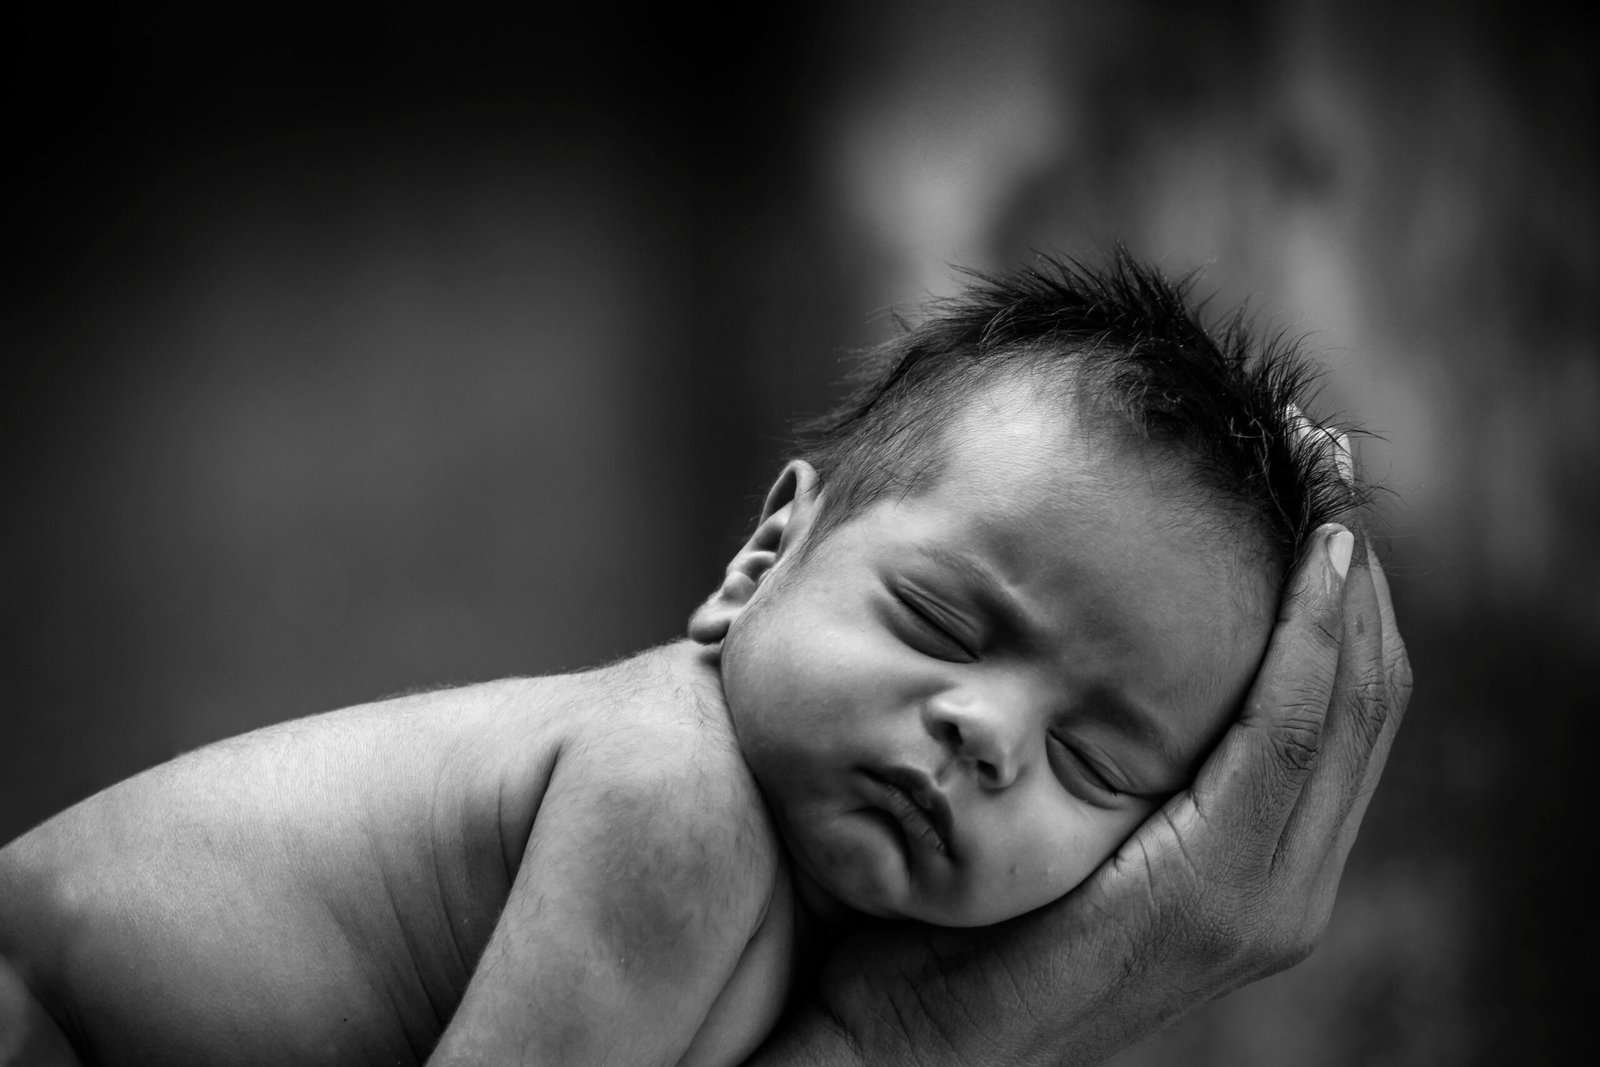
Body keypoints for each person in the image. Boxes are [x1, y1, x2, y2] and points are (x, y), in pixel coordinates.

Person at [0, 251, 1412, 1067]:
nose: (987, 733)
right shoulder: (676, 805)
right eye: (941, 622)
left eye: (1095, 764)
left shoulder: (800, 920)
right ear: (761, 562)